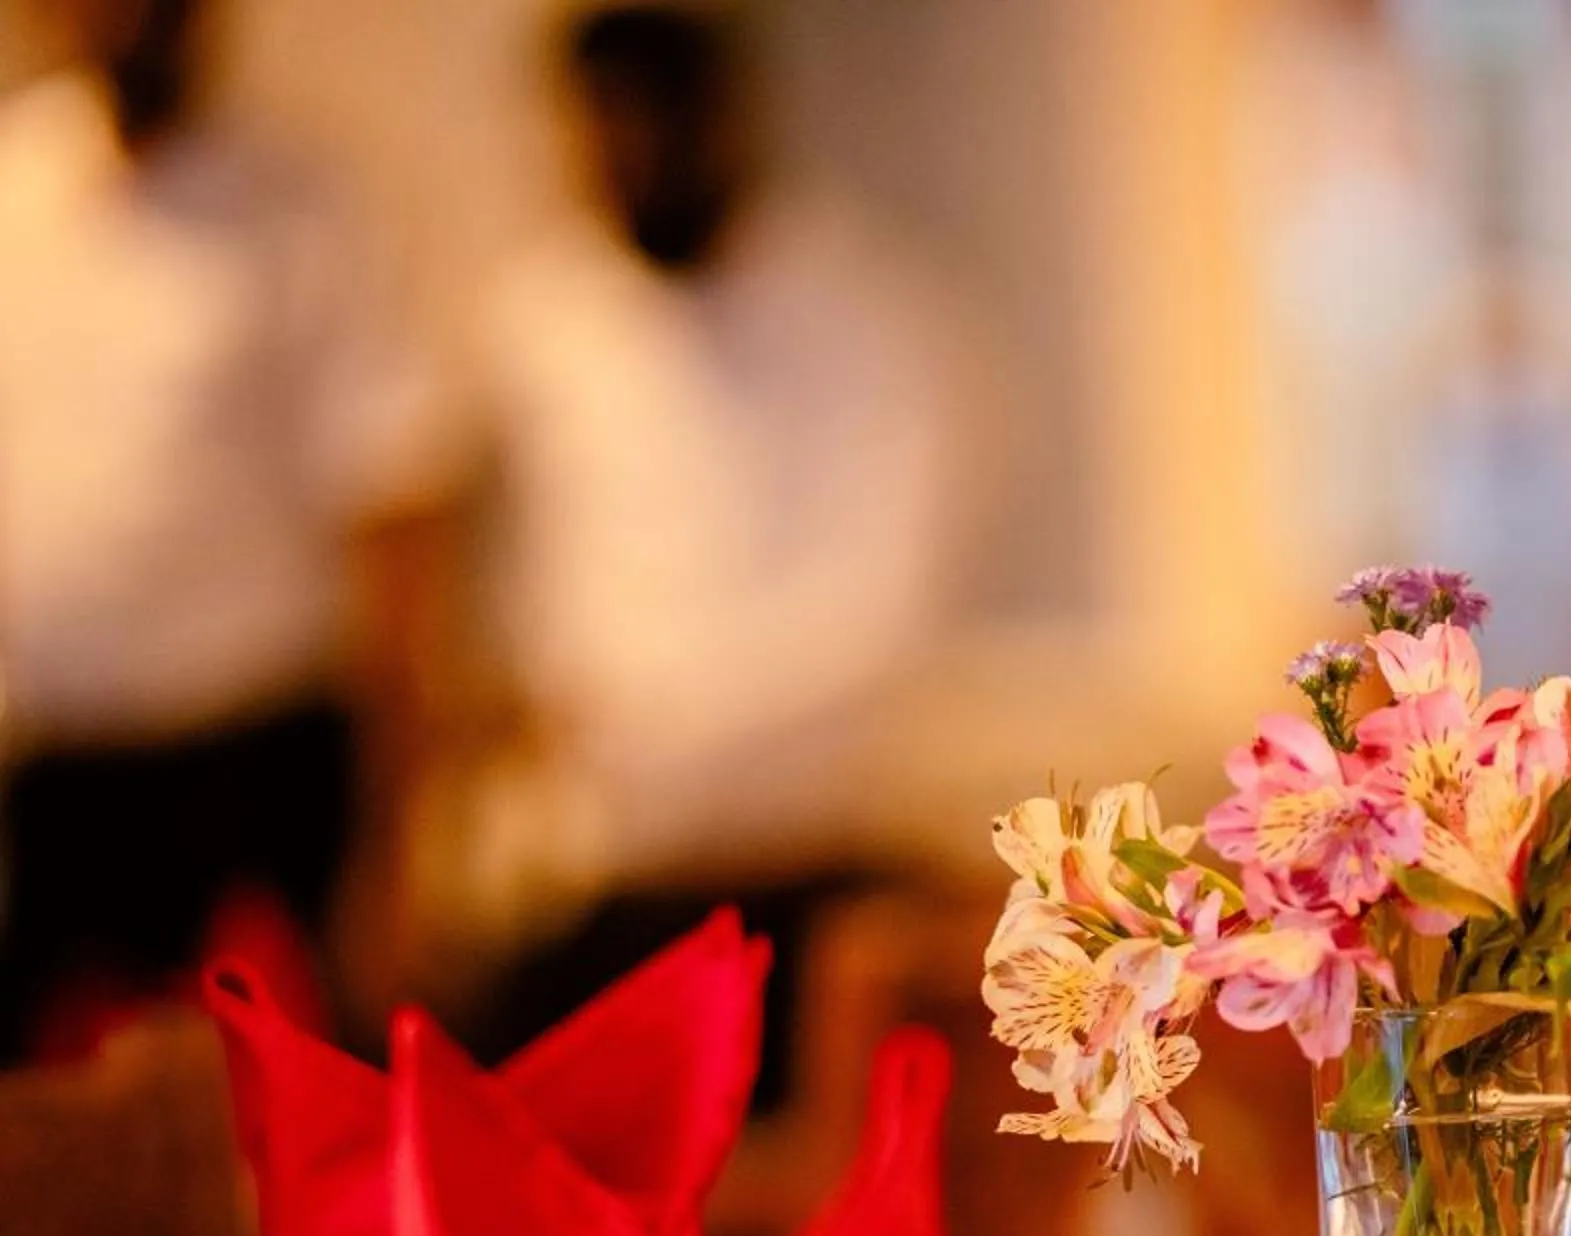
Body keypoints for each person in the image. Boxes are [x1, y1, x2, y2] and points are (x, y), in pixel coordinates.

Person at [473, 2, 966, 1096]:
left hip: (813, 868)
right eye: (604, 125)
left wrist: (638, 720)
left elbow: (874, 620)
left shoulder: (866, 315)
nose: (632, 154)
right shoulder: (536, 324)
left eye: (657, 119)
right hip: (614, 888)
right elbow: (528, 611)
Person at [0, 0, 453, 1059]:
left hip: (259, 765)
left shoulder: (307, 208)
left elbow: (391, 503)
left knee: (304, 1125)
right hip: (63, 764)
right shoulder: (14, 190)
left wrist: (394, 832)